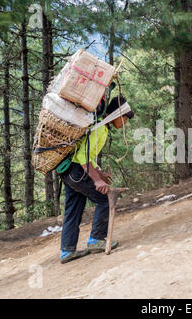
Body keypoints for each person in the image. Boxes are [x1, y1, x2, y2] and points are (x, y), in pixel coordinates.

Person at [59, 94, 134, 264]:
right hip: (77, 170)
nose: (124, 123)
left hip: (68, 170)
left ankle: (66, 251)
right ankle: (96, 240)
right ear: (116, 114)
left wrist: (99, 174)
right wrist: (97, 181)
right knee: (105, 199)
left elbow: (88, 156)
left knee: (73, 210)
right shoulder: (99, 128)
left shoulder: (100, 127)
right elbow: (82, 157)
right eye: (124, 118)